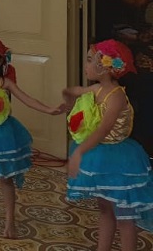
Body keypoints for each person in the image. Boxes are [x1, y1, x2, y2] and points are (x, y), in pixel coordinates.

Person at [0, 35, 64, 238]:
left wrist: (49, 110)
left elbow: (26, 98)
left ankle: (10, 221)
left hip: (2, 134)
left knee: (5, 179)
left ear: (0, 61)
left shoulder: (4, 82)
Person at [63, 40, 153, 251]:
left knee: (124, 216)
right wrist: (67, 97)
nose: (85, 65)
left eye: (89, 60)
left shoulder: (117, 96)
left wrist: (79, 152)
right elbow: (77, 91)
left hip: (120, 162)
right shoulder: (96, 88)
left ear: (104, 66)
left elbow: (103, 129)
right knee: (105, 209)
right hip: (101, 158)